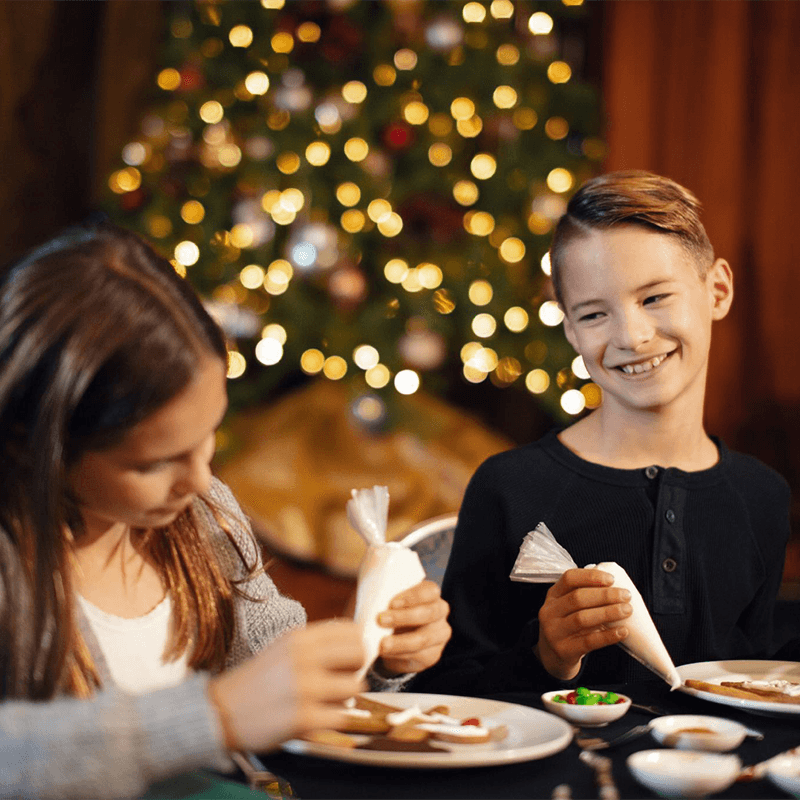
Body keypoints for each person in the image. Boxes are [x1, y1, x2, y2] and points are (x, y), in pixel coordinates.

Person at [0, 223, 450, 799]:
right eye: (153, 463)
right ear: (37, 444)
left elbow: (281, 686)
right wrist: (210, 716)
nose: (200, 479)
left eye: (210, 434)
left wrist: (377, 660)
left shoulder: (203, 515)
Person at [410, 170, 791, 697]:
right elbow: (449, 696)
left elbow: (763, 684)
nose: (631, 337)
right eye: (594, 314)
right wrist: (547, 657)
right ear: (570, 331)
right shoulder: (508, 488)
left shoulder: (763, 497)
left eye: (655, 298)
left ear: (718, 291)